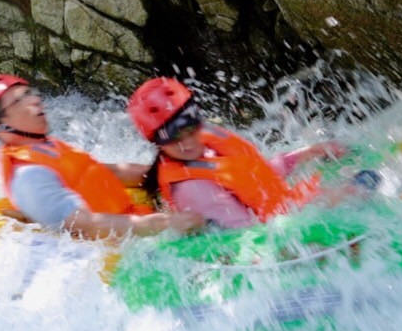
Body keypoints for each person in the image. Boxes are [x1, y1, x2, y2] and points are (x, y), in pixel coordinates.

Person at [0, 74, 202, 240]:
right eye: (20, 99)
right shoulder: (29, 176)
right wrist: (166, 224)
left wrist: (174, 172)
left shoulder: (47, 147)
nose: (35, 99)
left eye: (30, 93)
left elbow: (108, 173)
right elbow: (84, 226)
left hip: (127, 215)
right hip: (104, 253)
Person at [126, 77, 353, 229]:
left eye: (189, 126)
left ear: (197, 117)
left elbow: (254, 173)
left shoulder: (208, 144)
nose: (186, 142)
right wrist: (324, 205)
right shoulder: (192, 188)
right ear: (156, 142)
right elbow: (249, 234)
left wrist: (307, 153)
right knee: (357, 191)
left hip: (279, 211)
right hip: (267, 238)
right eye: (171, 137)